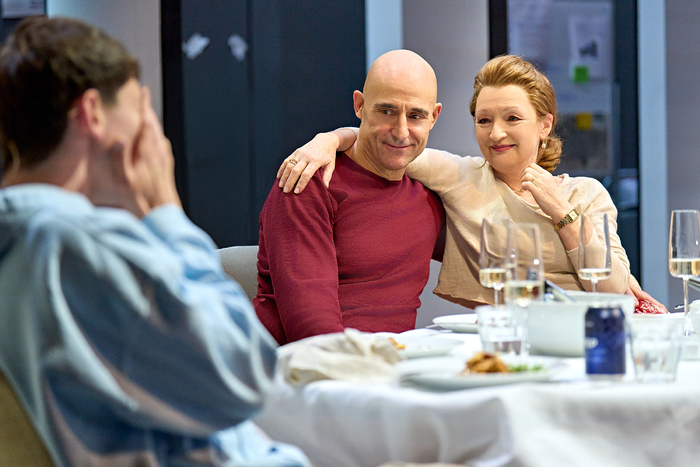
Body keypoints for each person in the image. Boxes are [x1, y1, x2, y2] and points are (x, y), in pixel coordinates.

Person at [0, 17, 307, 467]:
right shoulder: (81, 242)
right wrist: (166, 210)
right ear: (93, 113)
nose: (152, 128)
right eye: (140, 106)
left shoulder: (26, 237)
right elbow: (249, 375)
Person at [278, 54, 666, 312]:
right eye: (484, 120)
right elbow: (391, 142)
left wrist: (562, 213)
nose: (496, 133)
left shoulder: (585, 194)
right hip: (502, 340)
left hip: (586, 341)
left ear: (545, 124)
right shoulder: (458, 175)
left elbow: (614, 292)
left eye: (512, 118)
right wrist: (327, 139)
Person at [255, 50, 445, 345]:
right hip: (310, 373)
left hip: (395, 366)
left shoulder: (430, 197)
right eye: (386, 111)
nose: (401, 131)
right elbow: (312, 328)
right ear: (359, 105)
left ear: (434, 117)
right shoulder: (308, 181)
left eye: (416, 115)